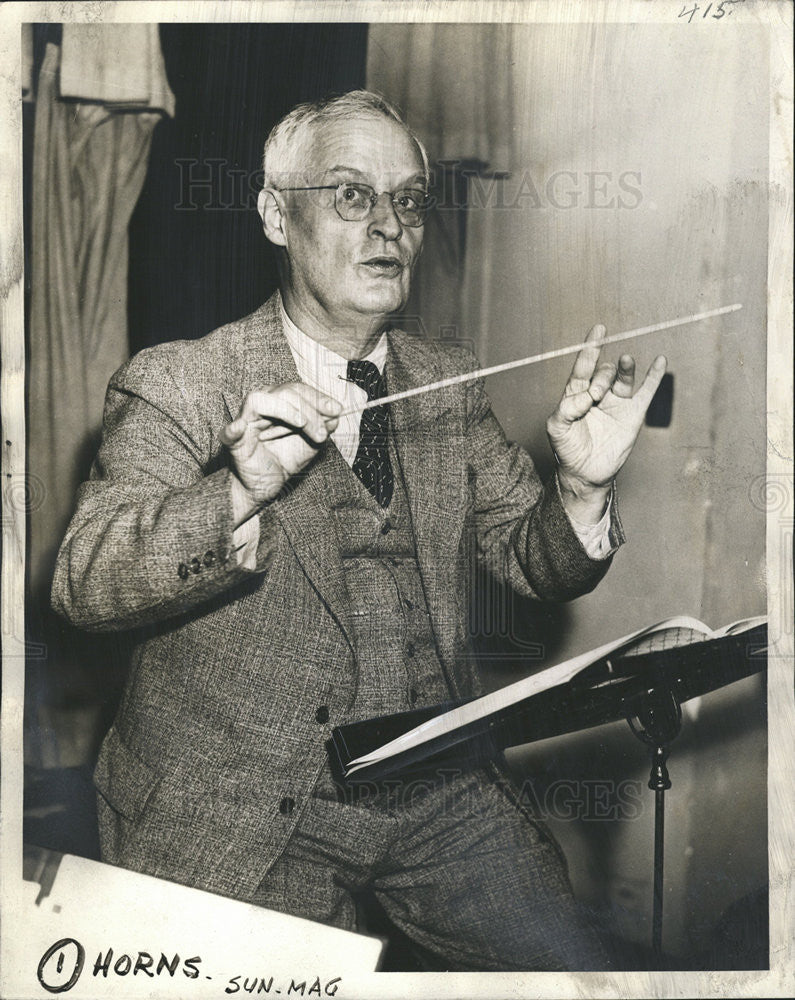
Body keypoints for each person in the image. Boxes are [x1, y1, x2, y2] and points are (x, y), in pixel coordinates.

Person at [51, 90, 666, 971]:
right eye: (350, 194)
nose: (388, 226)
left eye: (407, 200)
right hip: (249, 794)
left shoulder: (446, 379)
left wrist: (578, 485)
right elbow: (83, 580)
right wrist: (238, 491)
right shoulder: (180, 382)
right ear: (274, 214)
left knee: (573, 972)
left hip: (432, 776)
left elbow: (532, 561)